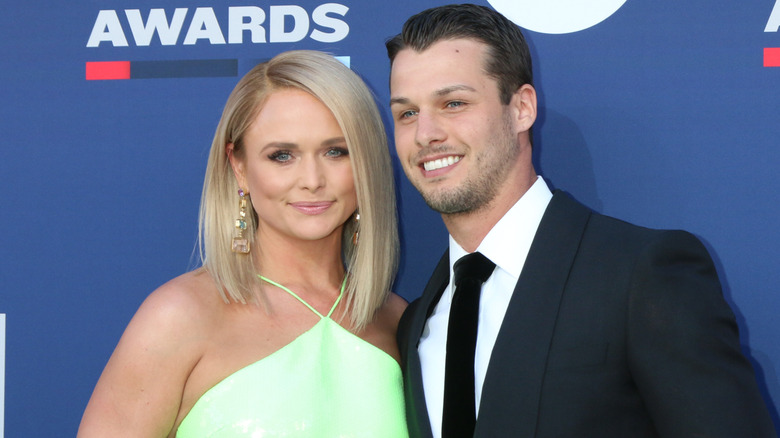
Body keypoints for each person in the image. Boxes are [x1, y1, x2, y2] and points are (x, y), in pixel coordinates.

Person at [386, 4, 776, 438]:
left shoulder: (641, 275)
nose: (425, 134)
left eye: (454, 103)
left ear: (522, 108)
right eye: (407, 113)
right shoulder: (416, 320)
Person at [78, 50, 408, 437]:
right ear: (239, 167)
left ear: (366, 162)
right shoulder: (180, 317)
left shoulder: (396, 321)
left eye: (336, 151)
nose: (312, 179)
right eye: (282, 156)